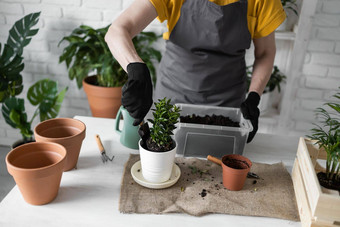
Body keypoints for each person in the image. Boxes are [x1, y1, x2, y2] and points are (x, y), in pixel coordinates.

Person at [105, 0, 286, 143]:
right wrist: (136, 69)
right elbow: (117, 30)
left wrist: (254, 97)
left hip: (226, 104)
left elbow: (265, 53)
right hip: (172, 95)